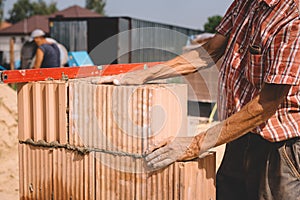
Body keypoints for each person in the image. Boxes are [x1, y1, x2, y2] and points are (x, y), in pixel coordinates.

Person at [94, 0, 299, 199]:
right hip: (240, 133)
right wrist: (145, 74)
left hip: (279, 148)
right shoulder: (245, 3)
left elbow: (267, 103)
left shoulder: (294, 17)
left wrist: (194, 144)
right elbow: (209, 51)